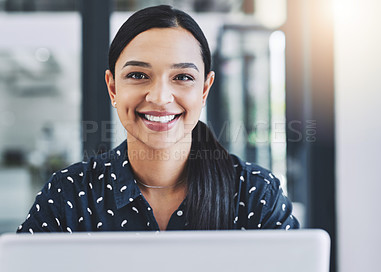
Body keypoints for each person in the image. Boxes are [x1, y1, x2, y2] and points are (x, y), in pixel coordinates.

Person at [17, 5, 299, 233]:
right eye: (138, 75)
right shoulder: (69, 195)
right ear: (113, 87)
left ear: (204, 89)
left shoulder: (255, 193)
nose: (161, 97)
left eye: (183, 77)